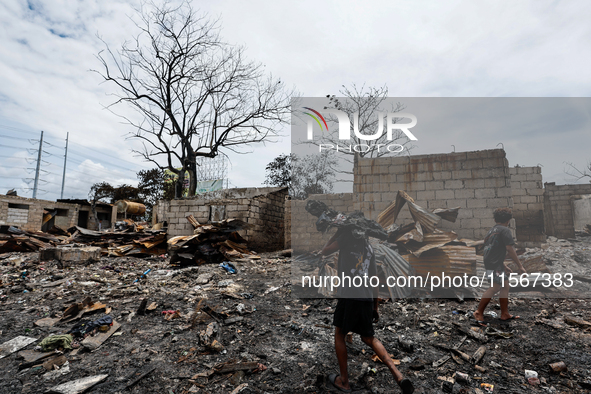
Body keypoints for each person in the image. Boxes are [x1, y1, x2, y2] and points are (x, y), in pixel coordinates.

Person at [321, 228, 414, 394]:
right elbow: (374, 279)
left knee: (339, 334)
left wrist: (337, 232)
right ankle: (398, 375)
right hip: (365, 298)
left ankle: (344, 381)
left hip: (349, 297)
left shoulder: (345, 238)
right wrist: (375, 306)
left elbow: (325, 250)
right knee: (369, 338)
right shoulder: (369, 247)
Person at [473, 207, 526, 324]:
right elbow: (510, 249)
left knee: (505, 286)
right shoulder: (505, 230)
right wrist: (520, 266)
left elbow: (493, 250)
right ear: (508, 220)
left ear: (495, 219)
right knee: (496, 287)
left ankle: (504, 313)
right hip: (494, 263)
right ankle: (478, 312)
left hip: (492, 262)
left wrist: (503, 266)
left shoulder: (490, 232)